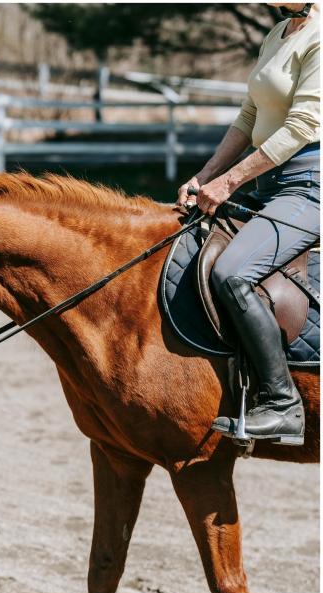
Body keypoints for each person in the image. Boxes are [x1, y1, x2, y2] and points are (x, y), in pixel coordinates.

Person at [177, 2, 320, 445]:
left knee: (233, 272)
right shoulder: (279, 31)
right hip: (268, 181)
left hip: (309, 183)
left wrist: (231, 180)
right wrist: (206, 177)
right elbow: (249, 116)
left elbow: (303, 126)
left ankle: (282, 404)